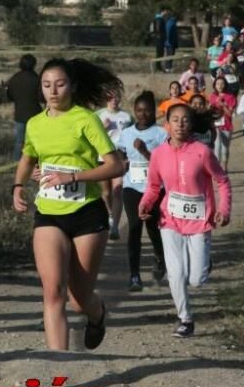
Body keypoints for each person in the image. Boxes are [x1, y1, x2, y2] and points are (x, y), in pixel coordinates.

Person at [12, 57, 125, 351]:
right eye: (46, 85)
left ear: (72, 87)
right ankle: (58, 372)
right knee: (52, 294)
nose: (53, 91)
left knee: (79, 300)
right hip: (49, 213)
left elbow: (115, 166)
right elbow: (28, 158)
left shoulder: (85, 119)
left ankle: (97, 314)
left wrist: (73, 175)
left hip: (86, 213)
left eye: (60, 84)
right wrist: (18, 186)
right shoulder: (35, 124)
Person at [139, 102, 231, 338]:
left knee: (196, 279)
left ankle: (204, 264)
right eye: (175, 120)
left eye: (185, 120)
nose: (180, 124)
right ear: (166, 125)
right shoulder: (159, 154)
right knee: (176, 272)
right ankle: (185, 319)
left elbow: (222, 181)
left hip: (199, 220)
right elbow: (153, 186)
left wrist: (224, 209)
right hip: (170, 221)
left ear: (191, 125)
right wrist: (145, 204)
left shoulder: (202, 152)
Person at [118, 91, 168, 291]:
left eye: (147, 110)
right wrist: (122, 163)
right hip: (132, 187)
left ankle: (159, 256)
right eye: (139, 110)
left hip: (155, 188)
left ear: (154, 111)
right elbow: (120, 155)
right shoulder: (127, 133)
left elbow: (164, 165)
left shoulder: (161, 134)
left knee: (154, 227)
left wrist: (145, 152)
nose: (143, 114)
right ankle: (134, 275)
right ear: (134, 112)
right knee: (135, 227)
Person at [96, 92, 133, 240]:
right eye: (110, 97)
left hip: (119, 156)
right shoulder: (97, 115)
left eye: (116, 97)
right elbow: (91, 137)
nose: (114, 100)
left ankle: (115, 226)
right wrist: (102, 129)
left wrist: (128, 156)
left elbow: (132, 136)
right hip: (102, 157)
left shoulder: (127, 117)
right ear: (105, 99)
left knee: (118, 190)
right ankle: (110, 215)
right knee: (105, 193)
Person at [6, 54, 43, 161]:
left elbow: (9, 96)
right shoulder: (37, 79)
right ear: (34, 65)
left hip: (19, 114)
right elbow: (41, 98)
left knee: (19, 141)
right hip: (35, 114)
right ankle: (35, 162)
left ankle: (16, 162)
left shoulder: (14, 78)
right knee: (35, 141)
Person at [208, 76, 237, 170]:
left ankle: (224, 167)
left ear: (225, 85)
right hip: (215, 125)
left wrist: (223, 105)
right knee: (217, 146)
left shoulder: (231, 97)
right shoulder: (212, 96)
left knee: (225, 148)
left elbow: (229, 114)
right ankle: (217, 169)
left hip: (226, 125)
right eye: (218, 83)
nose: (220, 86)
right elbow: (209, 112)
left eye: (222, 83)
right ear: (214, 85)